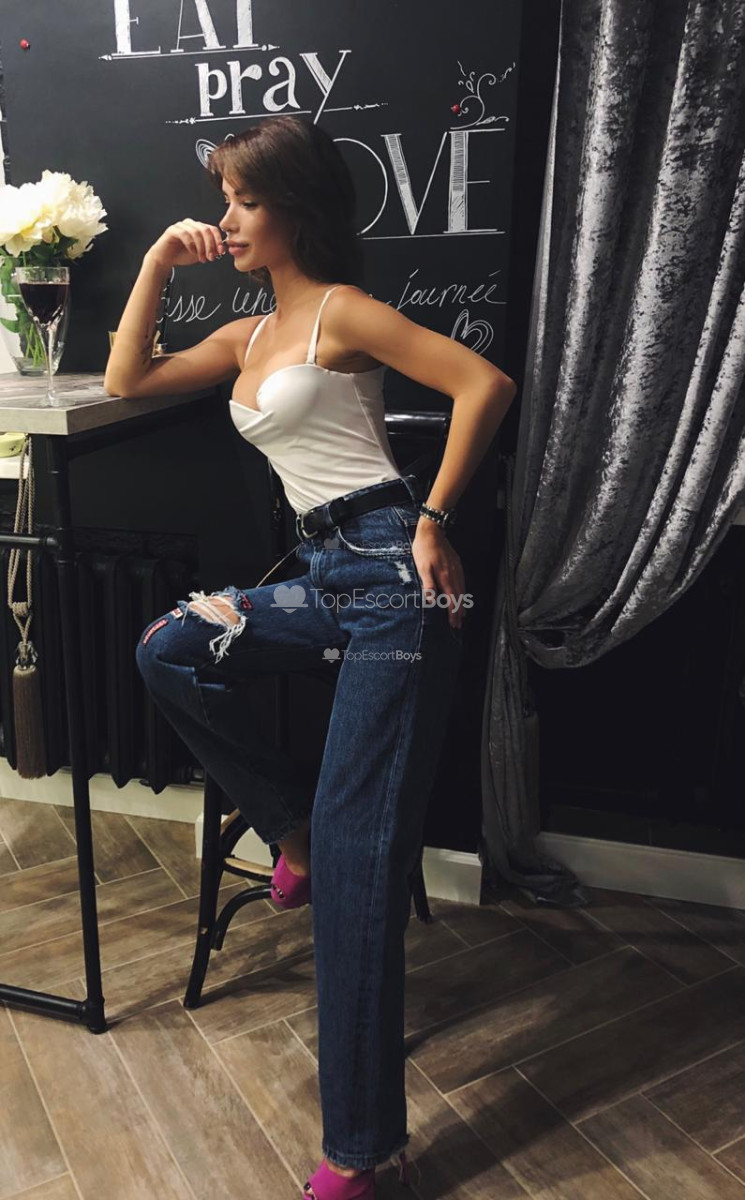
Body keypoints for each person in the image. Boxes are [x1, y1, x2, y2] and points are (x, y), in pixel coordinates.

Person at [104, 114, 516, 1199]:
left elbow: (484, 384)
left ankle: (361, 1151)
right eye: (223, 200)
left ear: (294, 205)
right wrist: (155, 264)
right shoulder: (247, 337)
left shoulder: (343, 311)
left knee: (358, 868)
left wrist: (434, 518)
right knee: (169, 646)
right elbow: (127, 381)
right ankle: (289, 832)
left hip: (396, 580)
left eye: (246, 199)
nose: (228, 219)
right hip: (320, 575)